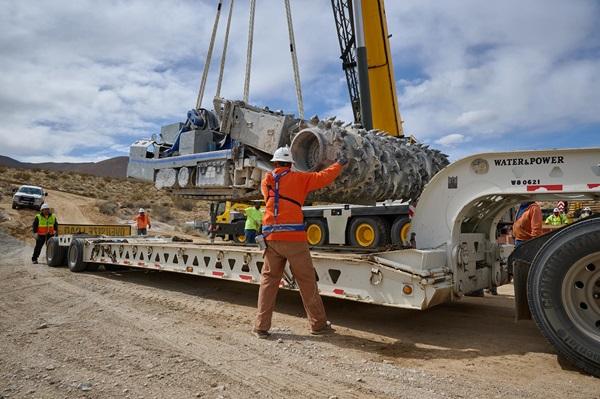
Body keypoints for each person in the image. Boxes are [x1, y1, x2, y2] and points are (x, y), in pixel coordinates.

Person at [253, 146, 346, 338]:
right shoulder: (299, 178)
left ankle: (261, 327)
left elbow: (269, 196)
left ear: (275, 163)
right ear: (291, 164)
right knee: (306, 281)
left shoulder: (267, 181)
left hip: (271, 238)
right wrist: (339, 165)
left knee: (269, 282)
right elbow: (322, 177)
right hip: (294, 239)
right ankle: (318, 325)